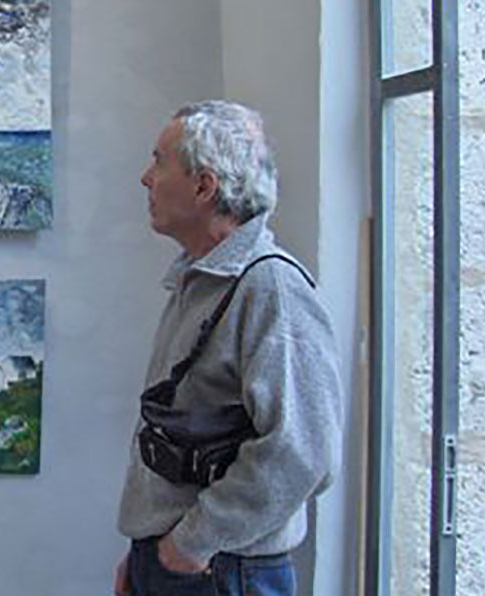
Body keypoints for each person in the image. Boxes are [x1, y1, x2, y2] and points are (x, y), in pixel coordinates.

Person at [114, 101, 341, 596]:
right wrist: (147, 550)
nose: (146, 178)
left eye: (159, 162)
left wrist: (189, 545)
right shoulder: (201, 279)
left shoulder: (271, 288)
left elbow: (304, 452)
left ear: (204, 186)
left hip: (224, 570)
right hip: (186, 561)